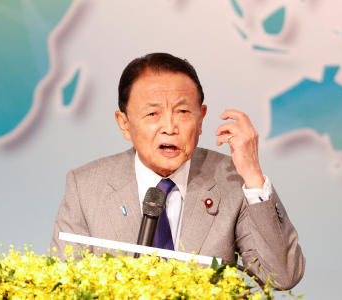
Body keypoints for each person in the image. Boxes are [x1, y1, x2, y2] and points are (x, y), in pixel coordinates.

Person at [51, 53, 305, 289]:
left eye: (183, 112)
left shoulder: (232, 180)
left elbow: (282, 277)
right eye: (153, 113)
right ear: (124, 123)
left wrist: (253, 178)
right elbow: (63, 287)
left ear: (201, 118)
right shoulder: (85, 187)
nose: (170, 127)